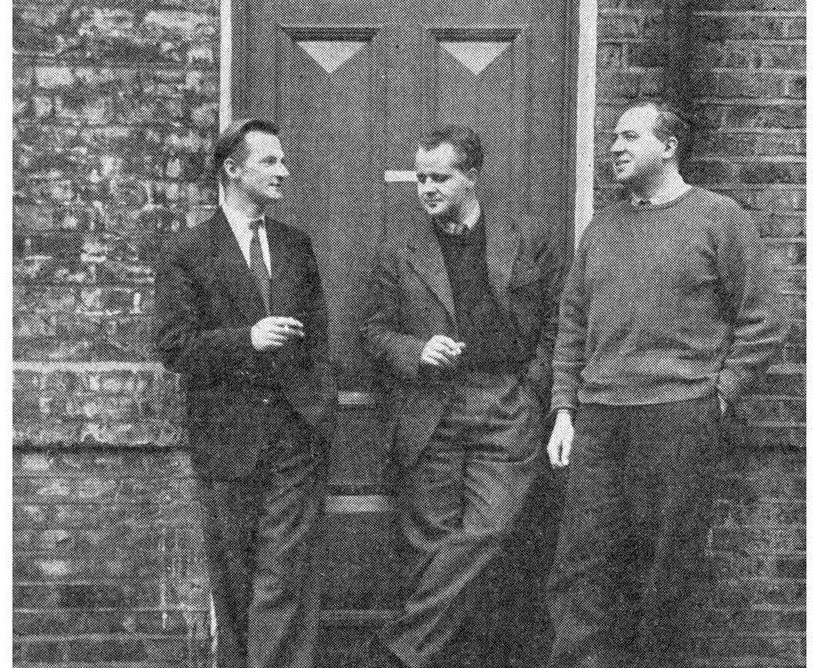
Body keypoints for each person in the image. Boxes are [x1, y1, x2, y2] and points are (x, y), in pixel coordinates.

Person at [545, 99, 787, 668]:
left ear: (669, 146)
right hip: (600, 416)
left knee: (666, 567)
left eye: (629, 137)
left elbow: (764, 320)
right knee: (581, 563)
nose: (614, 148)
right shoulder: (602, 227)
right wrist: (563, 409)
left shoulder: (718, 218)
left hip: (678, 415)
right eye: (611, 139)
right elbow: (573, 321)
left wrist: (718, 393)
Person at [361, 125, 562, 668]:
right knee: (430, 548)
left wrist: (532, 387)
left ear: (471, 176)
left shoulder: (525, 239)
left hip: (505, 405)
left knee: (487, 532)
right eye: (420, 178)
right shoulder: (399, 250)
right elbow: (373, 333)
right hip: (433, 410)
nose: (426, 188)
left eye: (439, 177)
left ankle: (398, 654)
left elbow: (558, 324)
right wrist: (416, 349)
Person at [155, 119, 335, 668]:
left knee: (283, 578)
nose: (284, 171)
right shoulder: (189, 250)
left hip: (292, 439)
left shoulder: (293, 244)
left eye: (283, 161)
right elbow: (174, 346)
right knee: (234, 584)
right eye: (270, 162)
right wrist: (247, 340)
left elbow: (318, 338)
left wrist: (317, 412)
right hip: (226, 441)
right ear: (233, 170)